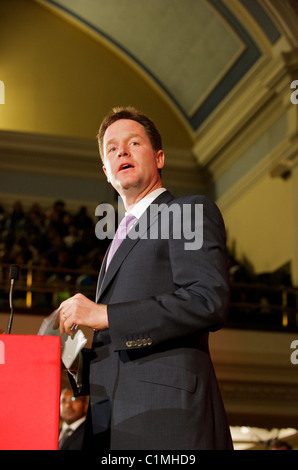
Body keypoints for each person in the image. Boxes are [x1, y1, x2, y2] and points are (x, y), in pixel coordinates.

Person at [54, 106, 233, 450]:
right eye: (111, 148)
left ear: (160, 157)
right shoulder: (114, 245)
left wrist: (104, 315)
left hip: (167, 418)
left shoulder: (187, 211)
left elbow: (206, 300)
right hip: (113, 422)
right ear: (107, 172)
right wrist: (74, 359)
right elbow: (121, 340)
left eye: (134, 143)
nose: (121, 151)